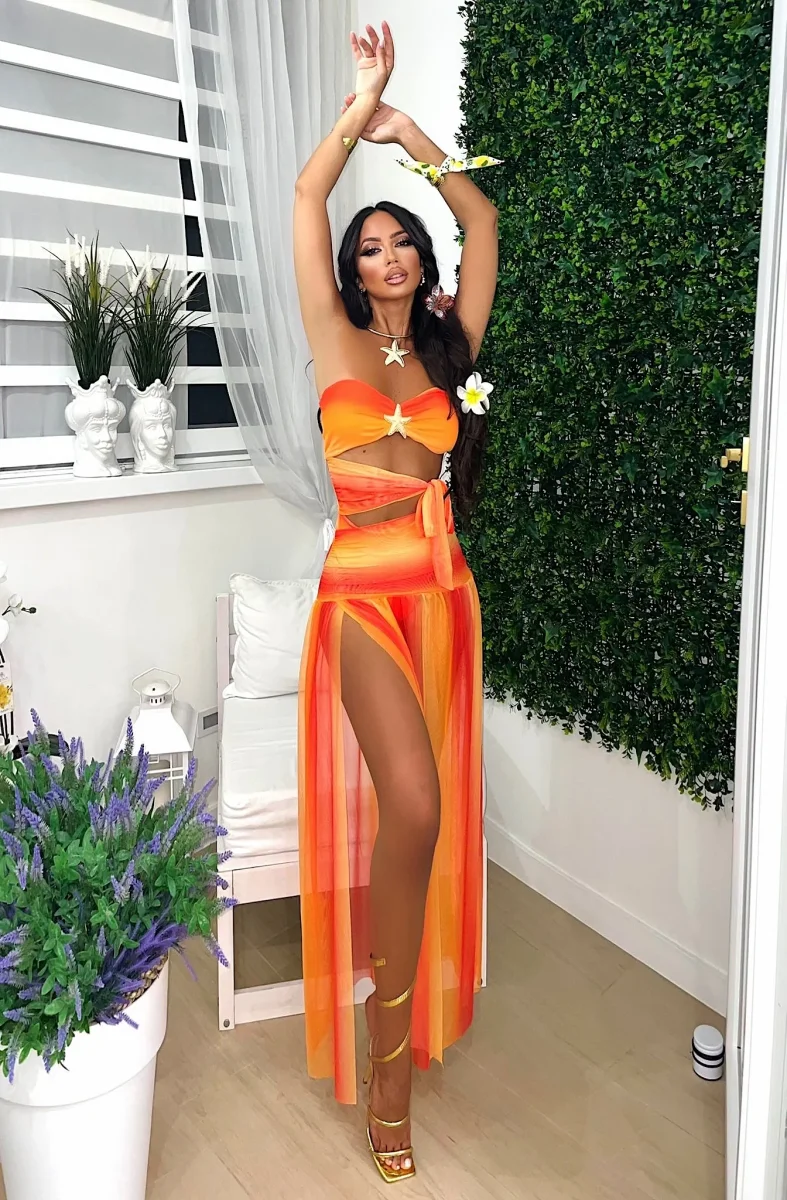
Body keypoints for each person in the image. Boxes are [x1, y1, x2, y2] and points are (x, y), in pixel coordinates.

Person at [294, 20, 499, 1184]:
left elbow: (483, 218)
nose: (388, 255)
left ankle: (401, 1023)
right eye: (369, 246)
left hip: (442, 591)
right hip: (361, 596)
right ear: (350, 268)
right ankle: (386, 1069)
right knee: (412, 806)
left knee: (424, 815)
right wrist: (354, 108)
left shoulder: (447, 343)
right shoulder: (329, 335)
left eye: (400, 241)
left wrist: (411, 129)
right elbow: (304, 193)